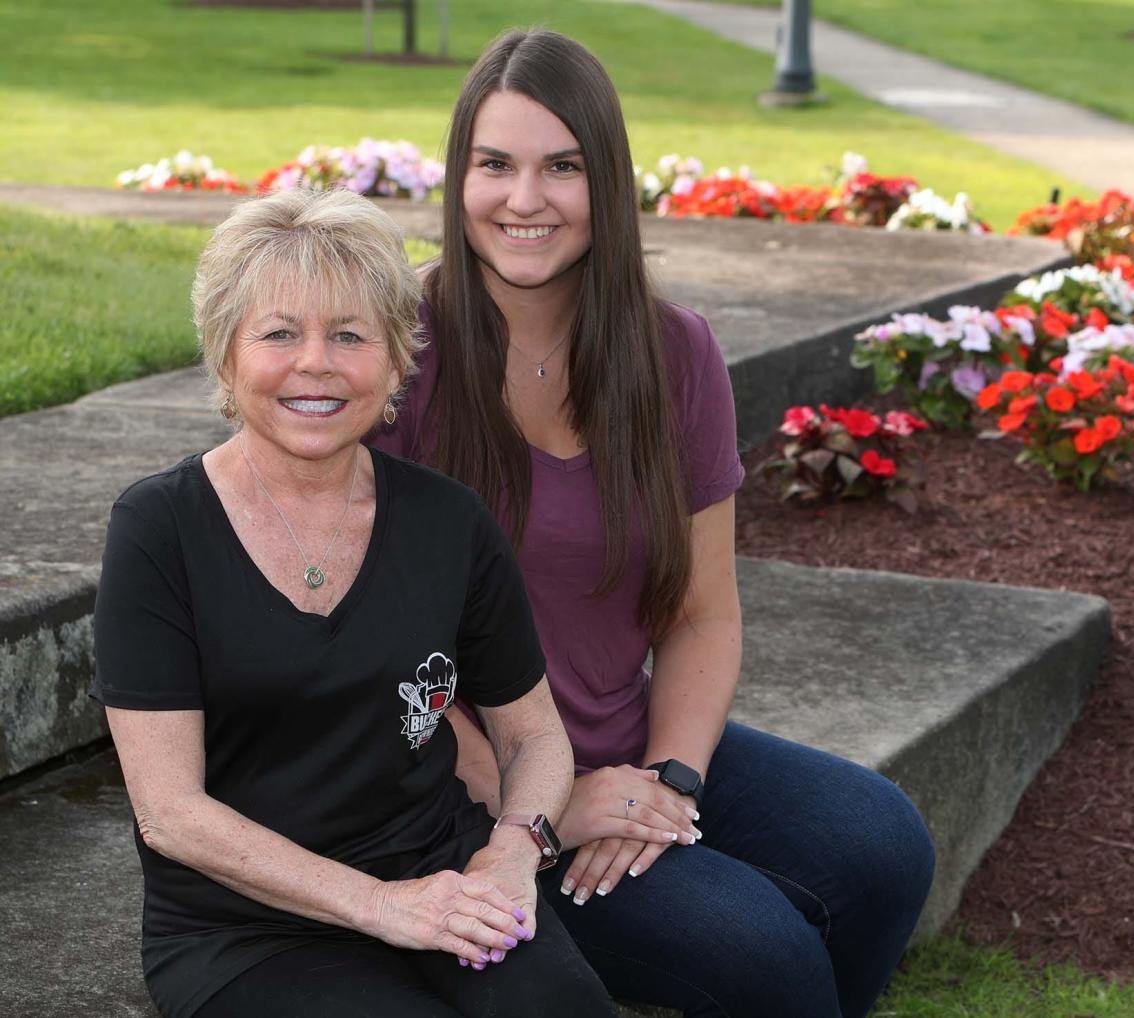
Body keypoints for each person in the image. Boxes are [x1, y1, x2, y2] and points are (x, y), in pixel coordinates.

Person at [370, 27, 937, 1018]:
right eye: (494, 165)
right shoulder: (399, 362)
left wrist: (669, 781)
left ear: (609, 181)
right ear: (458, 179)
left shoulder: (674, 353)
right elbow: (378, 662)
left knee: (883, 843)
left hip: (622, 739)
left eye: (563, 167)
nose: (525, 200)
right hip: (451, 788)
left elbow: (703, 612)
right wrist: (548, 803)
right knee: (764, 952)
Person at [92, 187, 616, 1018]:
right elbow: (172, 815)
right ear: (225, 355)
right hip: (247, 928)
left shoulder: (449, 521)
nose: (317, 364)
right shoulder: (160, 528)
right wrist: (380, 907)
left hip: (444, 874)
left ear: (396, 358)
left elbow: (532, 735)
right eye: (278, 333)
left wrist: (515, 852)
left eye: (348, 335)